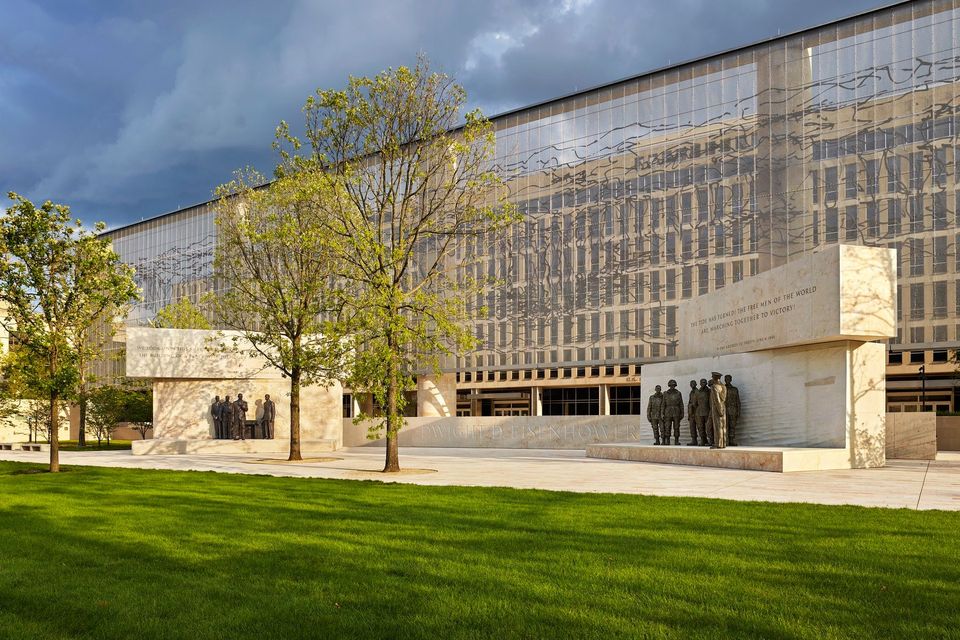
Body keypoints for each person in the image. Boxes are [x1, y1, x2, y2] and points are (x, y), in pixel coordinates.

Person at [661, 379, 684, 445]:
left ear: (675, 385)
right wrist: (662, 413)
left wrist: (682, 413)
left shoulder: (678, 393)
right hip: (668, 411)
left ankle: (676, 440)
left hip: (676, 411)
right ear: (669, 385)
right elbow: (663, 404)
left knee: (676, 427)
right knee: (667, 426)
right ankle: (667, 440)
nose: (672, 387)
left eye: (673, 385)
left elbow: (681, 404)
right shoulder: (665, 393)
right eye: (671, 385)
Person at [709, 372, 727, 449]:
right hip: (723, 406)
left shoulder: (714, 387)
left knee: (718, 426)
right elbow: (724, 398)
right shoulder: (723, 386)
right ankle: (723, 443)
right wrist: (722, 409)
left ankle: (718, 444)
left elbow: (717, 400)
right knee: (723, 426)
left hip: (717, 408)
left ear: (714, 378)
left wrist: (719, 410)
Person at [694, 378, 712, 446]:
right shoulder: (697, 392)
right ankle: (703, 440)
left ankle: (711, 440)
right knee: (700, 427)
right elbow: (695, 403)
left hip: (707, 411)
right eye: (702, 382)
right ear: (700, 383)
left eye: (705, 382)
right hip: (699, 412)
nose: (703, 383)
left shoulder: (709, 391)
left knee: (709, 427)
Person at [724, 374, 740, 446]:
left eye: (728, 379)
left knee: (732, 426)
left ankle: (731, 440)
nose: (727, 380)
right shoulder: (722, 389)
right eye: (726, 379)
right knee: (724, 426)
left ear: (731, 379)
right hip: (724, 410)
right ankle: (725, 440)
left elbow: (738, 401)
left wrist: (739, 411)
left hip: (733, 410)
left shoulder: (735, 389)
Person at [686, 380, 699, 446]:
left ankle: (703, 440)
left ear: (696, 384)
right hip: (691, 412)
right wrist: (689, 413)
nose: (692, 385)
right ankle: (694, 440)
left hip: (697, 412)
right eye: (691, 384)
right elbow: (689, 402)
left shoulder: (698, 392)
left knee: (700, 427)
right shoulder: (691, 393)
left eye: (693, 383)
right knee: (692, 427)